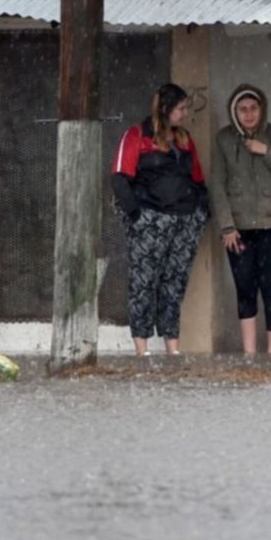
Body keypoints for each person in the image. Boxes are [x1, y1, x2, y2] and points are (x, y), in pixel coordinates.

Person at [110, 83, 210, 357]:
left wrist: (201, 214)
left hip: (184, 221)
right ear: (165, 109)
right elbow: (120, 178)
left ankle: (172, 347)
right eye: (180, 108)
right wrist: (137, 217)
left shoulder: (184, 139)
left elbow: (198, 179)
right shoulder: (136, 136)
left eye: (186, 108)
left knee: (174, 283)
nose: (185, 113)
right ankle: (142, 349)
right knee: (143, 282)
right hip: (150, 220)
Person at [208, 84, 271, 355]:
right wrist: (227, 226)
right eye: (243, 109)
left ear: (262, 109)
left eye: (253, 108)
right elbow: (218, 186)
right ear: (234, 111)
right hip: (239, 229)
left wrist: (265, 151)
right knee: (245, 287)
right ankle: (249, 356)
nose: (249, 114)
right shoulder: (224, 139)